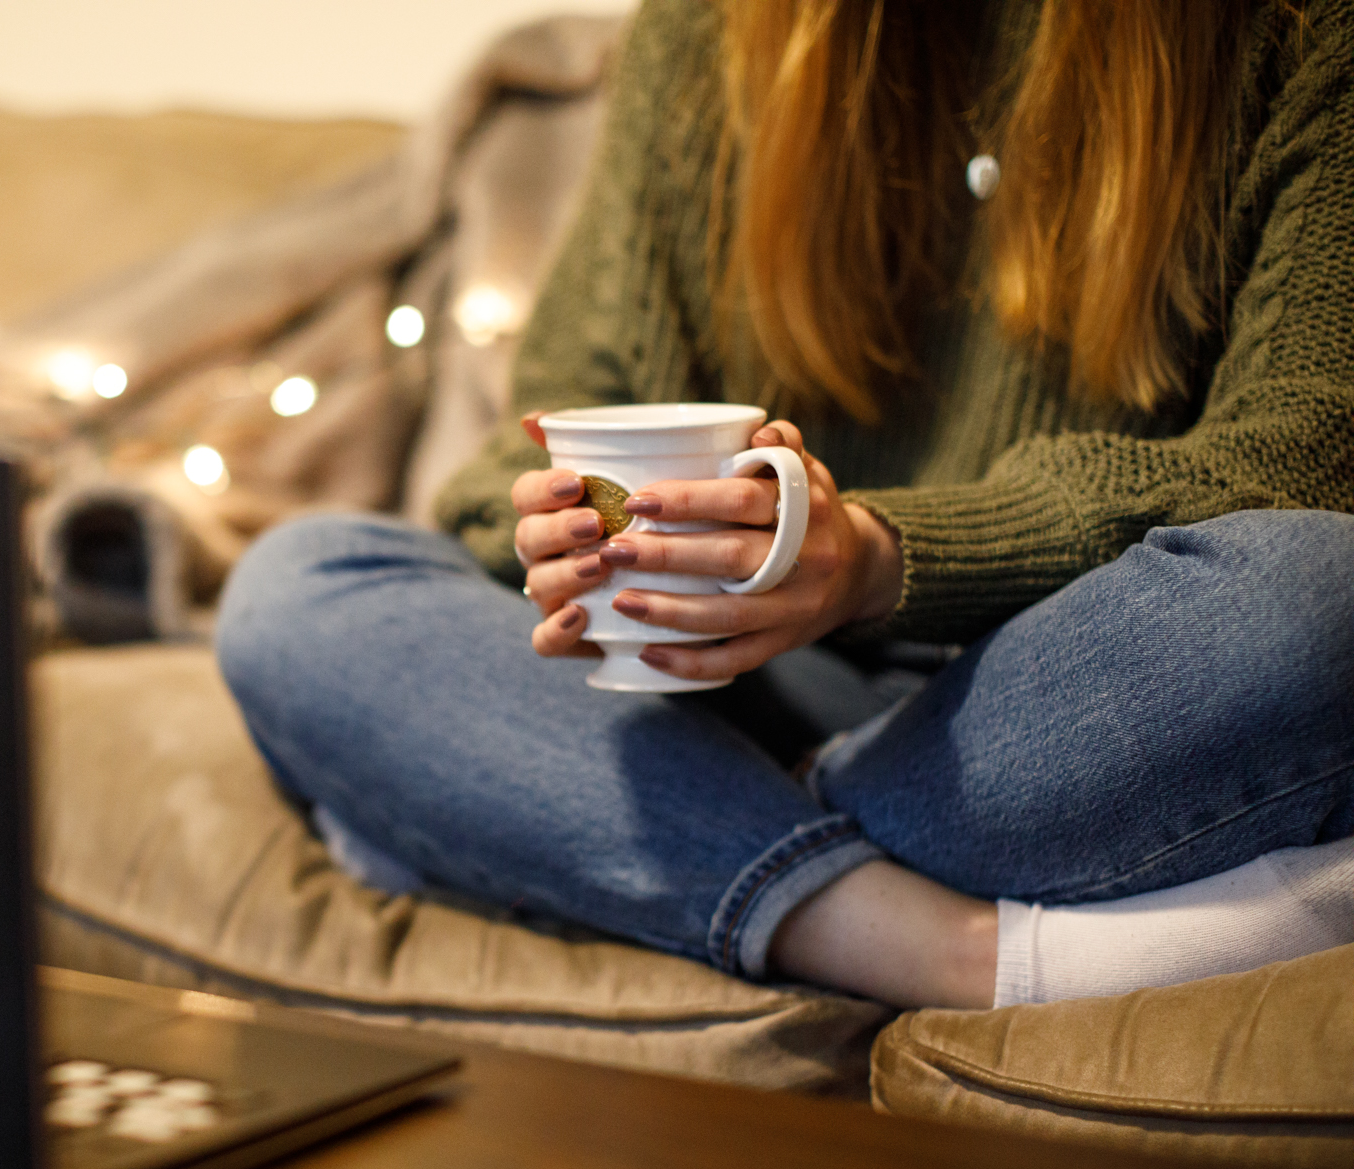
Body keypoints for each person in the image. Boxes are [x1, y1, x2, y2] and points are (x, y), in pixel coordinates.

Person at [216, 0, 1354, 1009]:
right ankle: (946, 951)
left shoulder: (1296, 31)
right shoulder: (713, 32)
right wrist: (552, 532)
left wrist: (873, 556)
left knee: (1323, 596)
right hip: (733, 681)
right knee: (301, 587)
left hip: (1051, 688)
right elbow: (552, 426)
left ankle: (602, 822)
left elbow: (1302, 456)